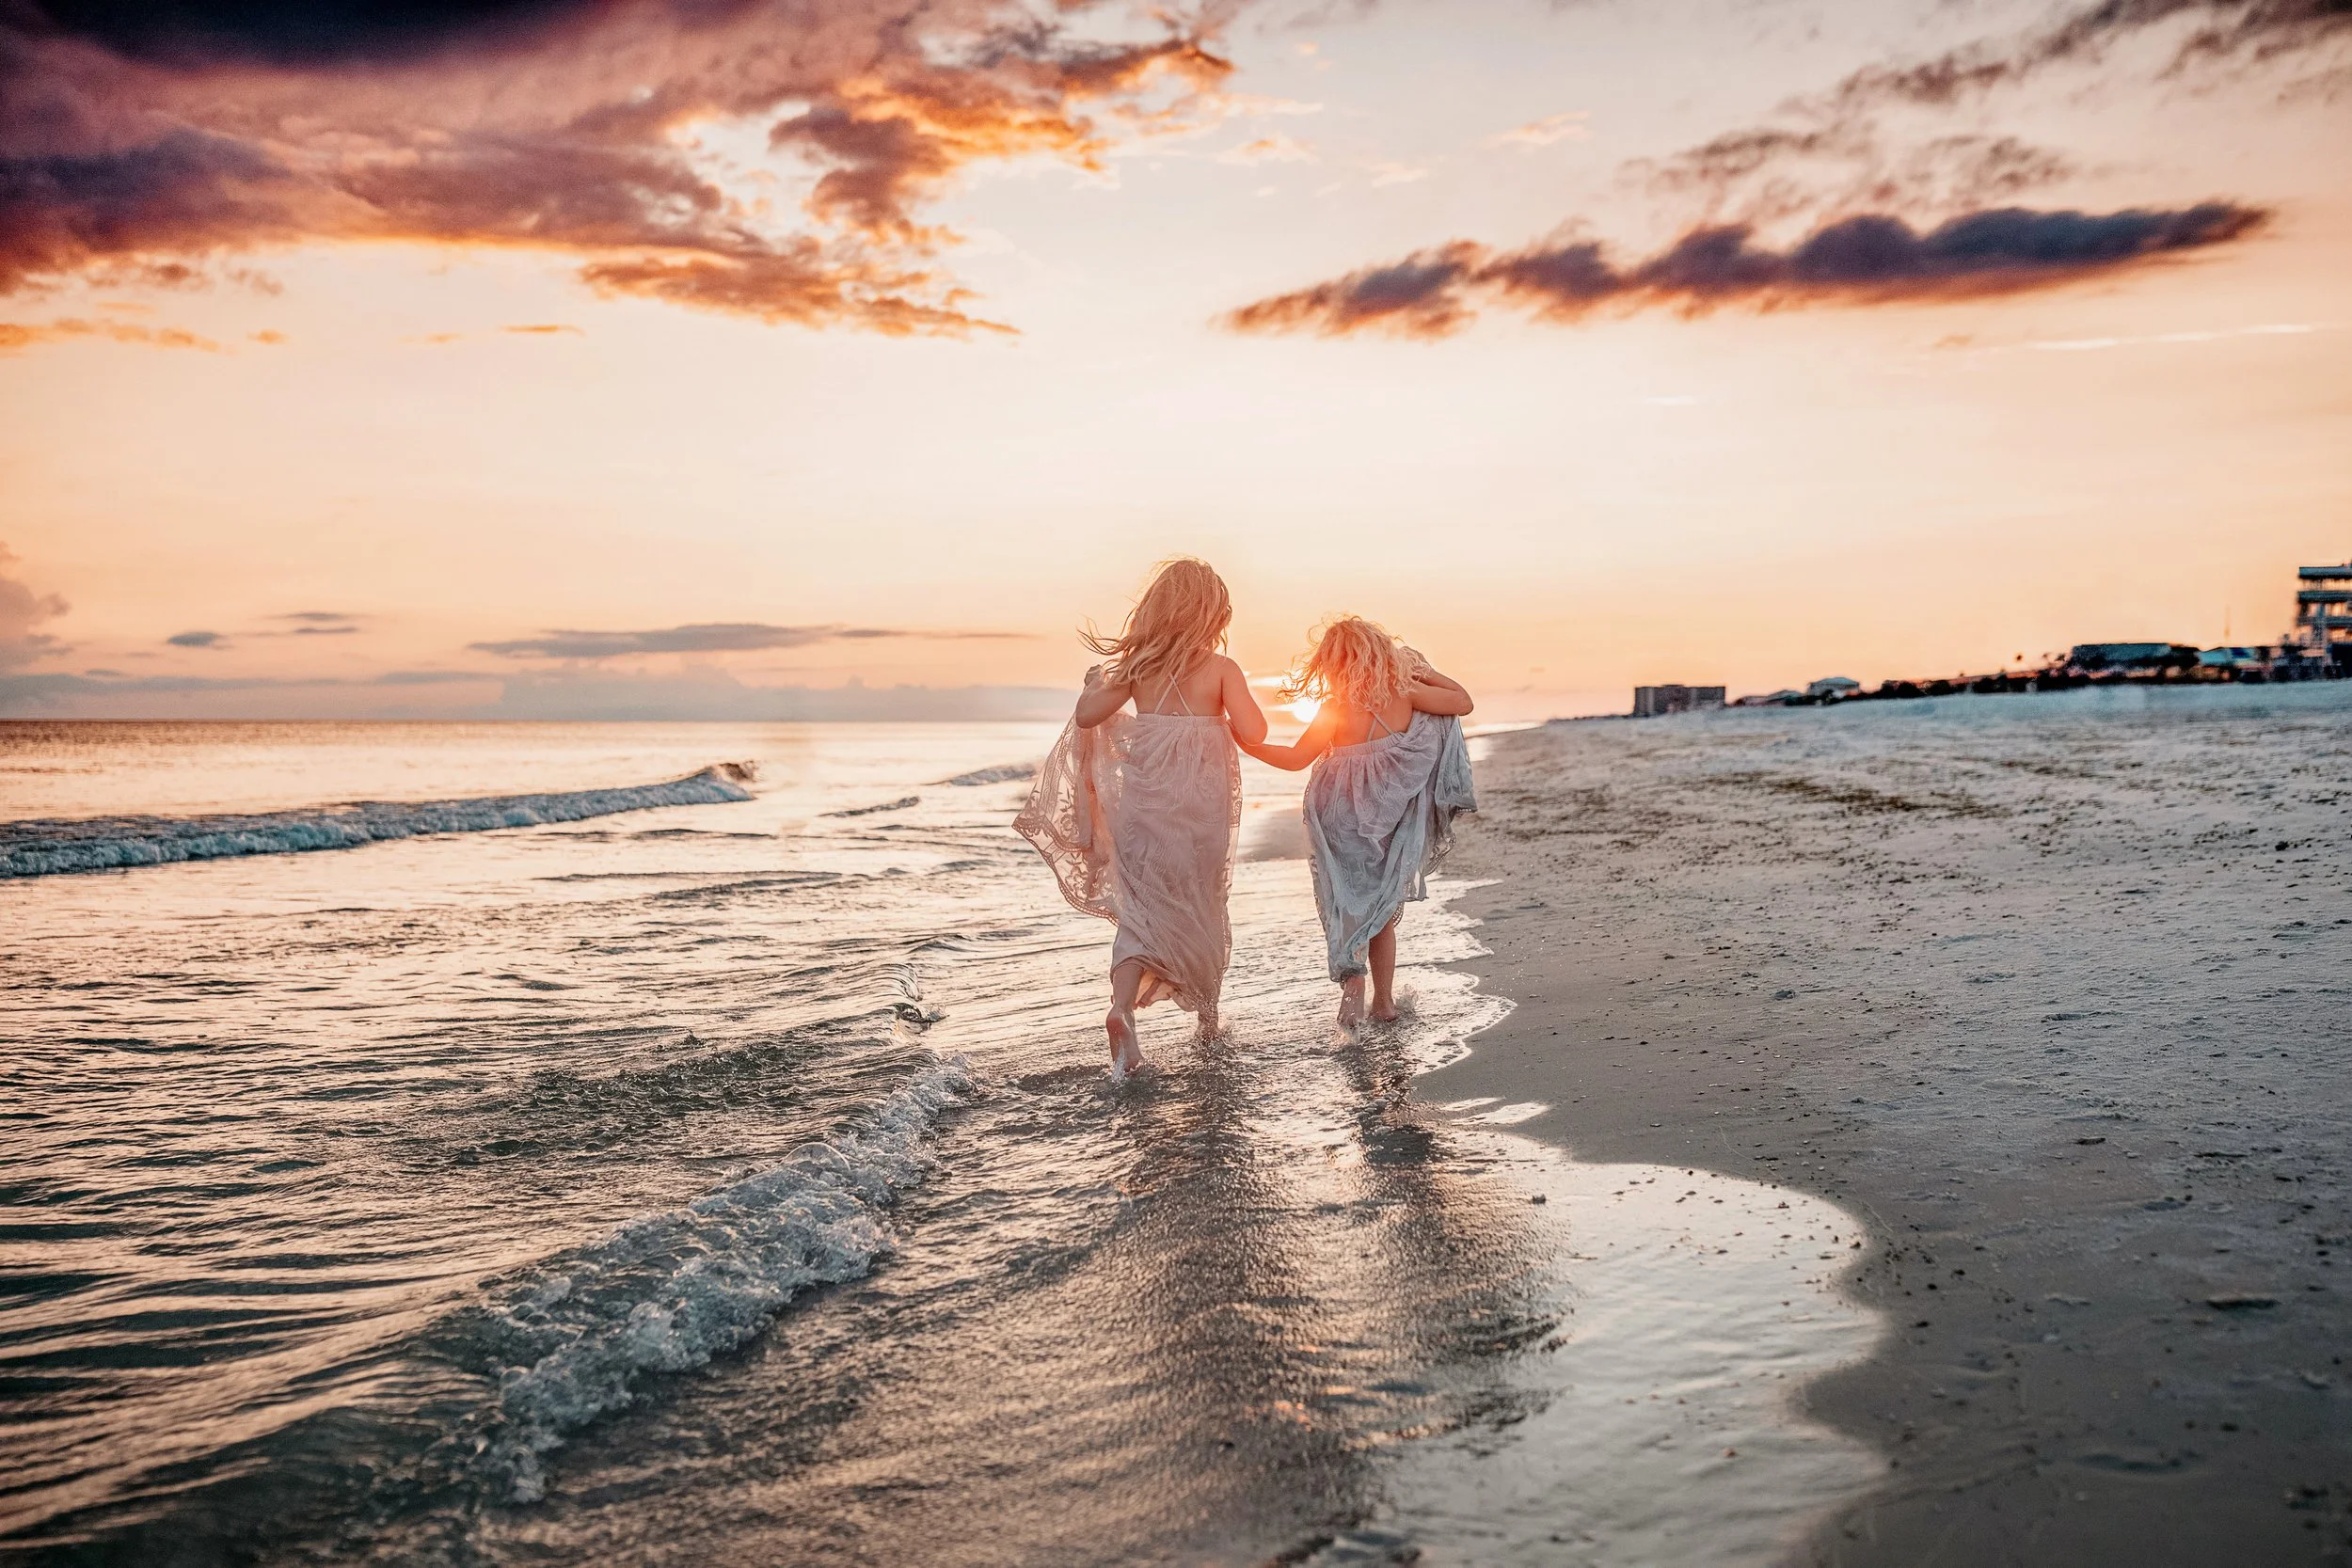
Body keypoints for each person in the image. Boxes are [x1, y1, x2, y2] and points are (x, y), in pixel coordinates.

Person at [1015, 559, 1268, 1078]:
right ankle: (1207, 1018)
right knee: (1200, 900)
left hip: (1141, 813)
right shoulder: (1221, 670)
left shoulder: (1137, 670)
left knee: (1141, 913)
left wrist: (1103, 682)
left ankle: (1122, 1008)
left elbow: (1088, 716)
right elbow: (1256, 731)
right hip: (1200, 814)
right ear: (1211, 615)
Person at [1237, 616, 1475, 1027]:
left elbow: (1296, 759)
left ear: (1331, 665)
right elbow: (1461, 702)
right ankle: (1383, 1003)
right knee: (1381, 908)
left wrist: (1248, 745)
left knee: (1345, 902)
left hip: (1337, 816)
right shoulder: (1406, 695)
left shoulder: (1333, 707)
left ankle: (1353, 984)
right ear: (1380, 652)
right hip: (1389, 817)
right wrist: (1427, 672)